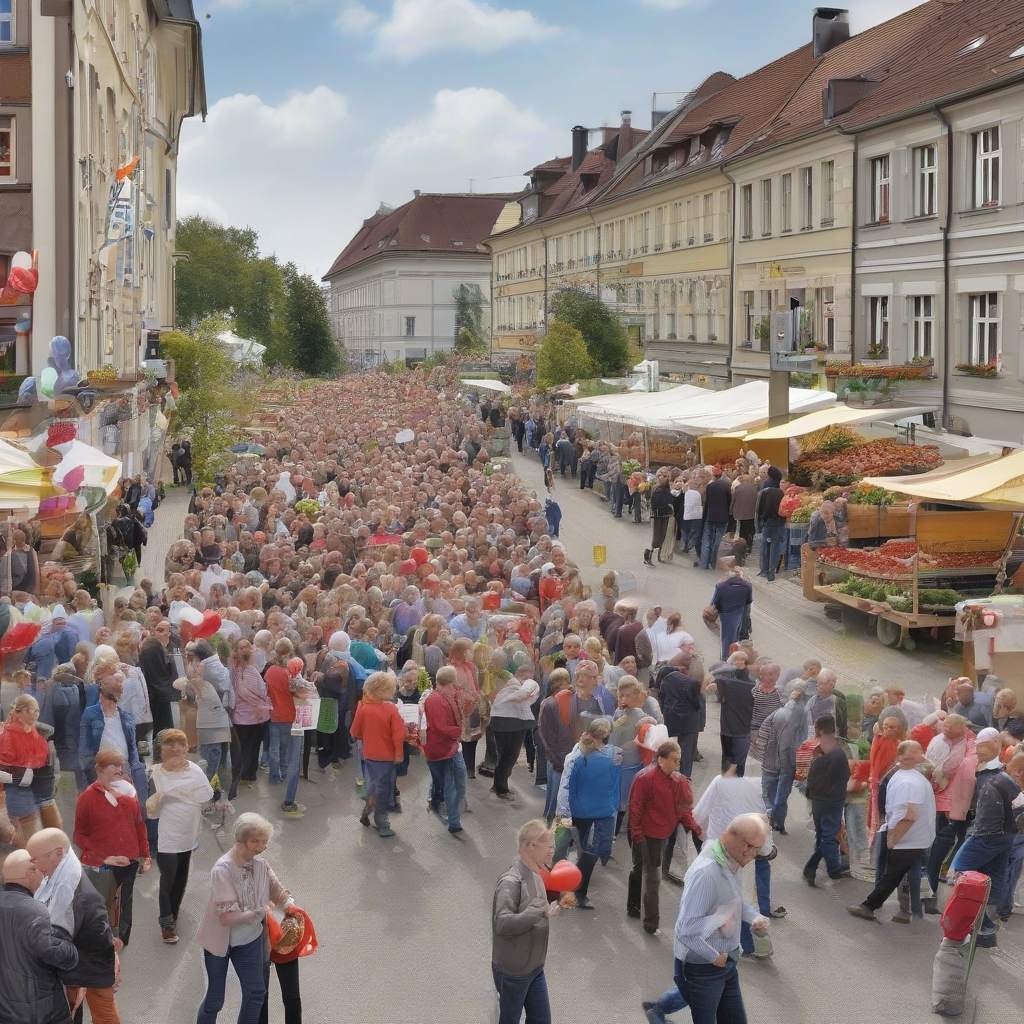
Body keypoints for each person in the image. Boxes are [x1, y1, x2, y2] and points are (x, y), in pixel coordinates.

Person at [643, 813, 771, 1024]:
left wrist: (755, 916)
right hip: (704, 966)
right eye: (749, 846)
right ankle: (656, 1013)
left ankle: (656, 1011)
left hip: (726, 962)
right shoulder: (707, 873)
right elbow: (686, 929)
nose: (751, 854)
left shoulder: (730, 861)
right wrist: (713, 956)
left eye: (756, 849)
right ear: (731, 836)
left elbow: (733, 903)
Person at [195, 813, 301, 1024]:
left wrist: (290, 904)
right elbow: (226, 918)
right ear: (240, 840)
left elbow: (276, 889)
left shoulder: (260, 865)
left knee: (255, 994)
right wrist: (259, 912)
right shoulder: (222, 869)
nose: (261, 847)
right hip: (219, 943)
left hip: (249, 940)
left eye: (264, 842)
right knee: (215, 1000)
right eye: (255, 841)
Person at [26, 828, 118, 1024]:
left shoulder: (72, 892)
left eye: (34, 858)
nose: (30, 863)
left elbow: (57, 940)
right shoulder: (64, 877)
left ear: (58, 854)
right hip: (86, 965)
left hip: (89, 968)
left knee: (102, 1015)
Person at [847, 740, 937, 922]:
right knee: (904, 875)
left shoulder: (906, 782)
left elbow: (909, 815)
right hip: (916, 837)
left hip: (907, 838)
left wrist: (893, 838)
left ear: (899, 756)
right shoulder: (913, 777)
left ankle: (870, 906)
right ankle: (908, 911)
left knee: (892, 875)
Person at [72, 750, 151, 948]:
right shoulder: (87, 798)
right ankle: (102, 946)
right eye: (114, 765)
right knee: (101, 908)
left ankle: (121, 943)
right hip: (102, 865)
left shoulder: (129, 792)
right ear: (99, 769)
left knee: (125, 906)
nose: (119, 769)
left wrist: (145, 855)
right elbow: (79, 836)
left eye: (121, 765)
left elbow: (139, 825)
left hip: (129, 861)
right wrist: (105, 858)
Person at [946, 752, 1024, 947]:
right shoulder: (1012, 787)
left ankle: (983, 925)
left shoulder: (998, 782)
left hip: (989, 836)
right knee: (994, 880)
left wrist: (978, 838)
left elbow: (987, 822)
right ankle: (986, 935)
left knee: (957, 874)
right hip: (1007, 837)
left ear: (1018, 771)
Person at [147, 728, 214, 943]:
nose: (175, 748)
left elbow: (206, 795)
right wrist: (156, 800)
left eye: (180, 744)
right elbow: (150, 811)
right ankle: (166, 923)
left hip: (189, 833)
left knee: (181, 878)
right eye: (170, 744)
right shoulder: (155, 774)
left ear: (186, 749)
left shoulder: (194, 770)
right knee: (168, 878)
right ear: (162, 749)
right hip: (167, 836)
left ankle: (173, 913)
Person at [491, 819, 562, 1024]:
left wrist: (548, 910)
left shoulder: (537, 871)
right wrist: (538, 912)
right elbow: (502, 924)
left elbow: (537, 909)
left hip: (535, 967)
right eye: (549, 846)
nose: (552, 851)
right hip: (514, 972)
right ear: (532, 845)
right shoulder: (510, 882)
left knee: (541, 1020)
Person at [0, 848, 79, 1024]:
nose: (44, 877)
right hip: (40, 1011)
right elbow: (56, 955)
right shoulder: (32, 909)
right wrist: (64, 939)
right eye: (40, 871)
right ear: (30, 873)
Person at [627, 739, 697, 936]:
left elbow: (683, 808)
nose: (677, 764)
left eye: (679, 761)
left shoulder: (678, 780)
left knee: (642, 871)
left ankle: (634, 907)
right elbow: (636, 808)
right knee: (652, 878)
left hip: (660, 836)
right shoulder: (645, 779)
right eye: (674, 760)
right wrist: (638, 835)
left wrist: (694, 826)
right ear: (660, 760)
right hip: (647, 836)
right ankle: (650, 922)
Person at [558, 717, 620, 909]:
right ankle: (578, 893)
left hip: (578, 811)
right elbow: (614, 788)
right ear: (606, 735)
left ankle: (566, 886)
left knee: (576, 847)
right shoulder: (610, 756)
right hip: (596, 812)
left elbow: (567, 787)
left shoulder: (576, 755)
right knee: (588, 851)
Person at [922, 714, 977, 913]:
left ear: (962, 728)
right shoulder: (938, 741)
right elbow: (929, 765)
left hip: (950, 809)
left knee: (937, 853)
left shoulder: (969, 746)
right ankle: (926, 895)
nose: (946, 730)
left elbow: (964, 775)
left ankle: (928, 894)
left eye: (951, 727)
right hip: (934, 803)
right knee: (931, 852)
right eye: (945, 726)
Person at [350, 671, 406, 838]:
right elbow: (398, 735)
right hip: (386, 755)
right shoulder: (391, 709)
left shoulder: (363, 707)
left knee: (375, 783)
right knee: (383, 787)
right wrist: (399, 755)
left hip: (370, 754)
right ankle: (381, 819)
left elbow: (355, 732)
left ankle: (368, 809)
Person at [802, 715, 852, 886]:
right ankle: (834, 868)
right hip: (833, 801)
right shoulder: (838, 752)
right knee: (828, 837)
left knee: (823, 836)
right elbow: (845, 775)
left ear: (820, 730)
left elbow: (811, 774)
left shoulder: (819, 749)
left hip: (818, 800)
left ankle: (813, 868)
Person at [0, 693, 52, 848]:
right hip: (18, 790)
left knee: (27, 833)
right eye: (33, 710)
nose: (36, 713)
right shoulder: (8, 734)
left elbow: (41, 757)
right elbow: (5, 763)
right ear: (21, 711)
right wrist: (24, 772)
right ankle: (22, 864)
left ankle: (23, 862)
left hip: (32, 788)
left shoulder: (34, 731)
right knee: (26, 835)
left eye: (37, 711)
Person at [757, 688, 809, 834]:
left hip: (771, 760)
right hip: (787, 762)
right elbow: (800, 739)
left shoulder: (780, 712)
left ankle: (771, 820)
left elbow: (763, 733)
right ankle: (777, 822)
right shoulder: (800, 715)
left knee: (768, 793)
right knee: (781, 796)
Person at [422, 666, 468, 833]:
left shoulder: (441, 697)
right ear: (447, 683)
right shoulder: (437, 701)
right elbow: (441, 726)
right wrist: (458, 732)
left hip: (446, 748)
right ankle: (454, 821)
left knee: (444, 782)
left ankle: (435, 803)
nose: (455, 688)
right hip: (445, 749)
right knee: (454, 785)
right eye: (453, 685)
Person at [490, 666, 540, 801]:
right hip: (505, 721)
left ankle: (499, 784)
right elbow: (520, 697)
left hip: (516, 722)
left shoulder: (530, 684)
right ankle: (501, 787)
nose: (526, 675)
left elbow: (522, 696)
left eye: (529, 672)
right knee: (508, 755)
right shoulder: (509, 683)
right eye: (522, 672)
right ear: (516, 674)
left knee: (508, 755)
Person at [138, 621, 179, 762]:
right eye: (157, 630)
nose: (159, 633)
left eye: (163, 630)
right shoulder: (152, 649)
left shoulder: (167, 648)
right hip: (159, 697)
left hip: (157, 696)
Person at [714, 651, 755, 776]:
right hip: (737, 729)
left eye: (743, 660)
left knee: (730, 764)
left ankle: (729, 787)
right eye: (738, 660)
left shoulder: (726, 682)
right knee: (734, 765)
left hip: (734, 730)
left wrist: (729, 664)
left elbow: (714, 674)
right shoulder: (751, 683)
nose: (740, 663)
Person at [709, 571, 752, 661]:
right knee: (735, 635)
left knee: (726, 639)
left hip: (725, 614)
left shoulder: (720, 586)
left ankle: (725, 661)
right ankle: (733, 658)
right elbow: (749, 600)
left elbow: (714, 603)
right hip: (739, 613)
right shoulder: (747, 585)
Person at [755, 466, 786, 581]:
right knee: (775, 547)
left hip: (767, 523)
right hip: (778, 524)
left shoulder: (765, 490)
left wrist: (759, 523)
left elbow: (759, 509)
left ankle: (764, 570)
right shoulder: (781, 492)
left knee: (765, 546)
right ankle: (772, 571)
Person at [699, 467, 731, 570]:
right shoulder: (726, 486)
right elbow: (729, 501)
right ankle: (713, 563)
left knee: (707, 541)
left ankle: (704, 564)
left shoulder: (710, 487)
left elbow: (707, 503)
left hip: (711, 516)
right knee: (717, 542)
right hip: (723, 517)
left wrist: (705, 516)